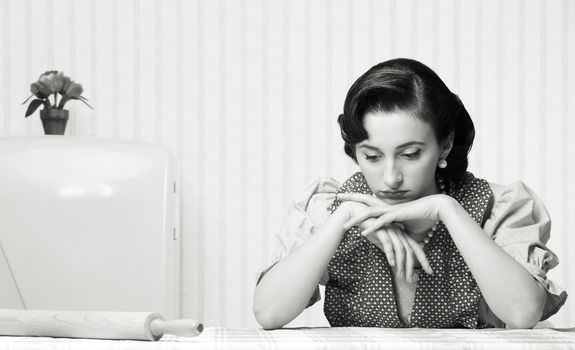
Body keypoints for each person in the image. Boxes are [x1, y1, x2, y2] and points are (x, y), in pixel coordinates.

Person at [253, 58, 567, 329]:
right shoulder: (331, 205)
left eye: (411, 153)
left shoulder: (497, 207)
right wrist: (343, 218)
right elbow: (268, 313)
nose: (390, 177)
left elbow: (523, 312)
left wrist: (448, 209)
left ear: (444, 144)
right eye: (372, 157)